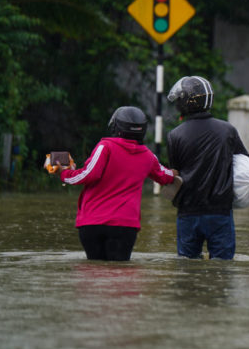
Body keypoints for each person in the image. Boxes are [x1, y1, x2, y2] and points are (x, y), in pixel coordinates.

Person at [55, 106, 176, 261]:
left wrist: (64, 172)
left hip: (93, 223)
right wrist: (178, 173)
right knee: (120, 277)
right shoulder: (148, 156)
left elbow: (88, 175)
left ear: (115, 127)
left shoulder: (105, 146)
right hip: (125, 227)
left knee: (94, 275)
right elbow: (166, 176)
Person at [166, 76, 249, 259]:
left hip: (188, 212)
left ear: (184, 102)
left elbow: (175, 174)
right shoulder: (228, 130)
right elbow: (245, 164)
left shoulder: (174, 136)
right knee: (222, 268)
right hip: (220, 212)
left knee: (187, 269)